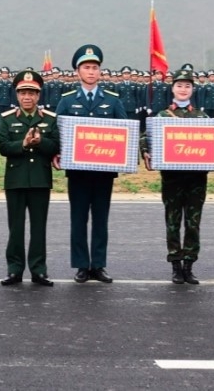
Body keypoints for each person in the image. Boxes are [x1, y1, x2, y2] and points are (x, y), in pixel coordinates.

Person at [54, 44, 128, 283]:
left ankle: (98, 264)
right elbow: (57, 133)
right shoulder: (66, 101)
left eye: (95, 67)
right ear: (78, 71)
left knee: (100, 219)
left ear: (100, 72)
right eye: (86, 67)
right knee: (78, 218)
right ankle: (81, 266)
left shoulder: (113, 101)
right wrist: (56, 153)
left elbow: (124, 132)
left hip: (104, 172)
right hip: (77, 172)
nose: (91, 71)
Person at [141, 64, 209, 285]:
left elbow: (213, 142)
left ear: (192, 90)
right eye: (179, 85)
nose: (183, 89)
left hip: (196, 178)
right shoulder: (162, 115)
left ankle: (189, 264)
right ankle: (175, 265)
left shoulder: (202, 117)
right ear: (172, 89)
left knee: (193, 222)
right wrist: (146, 151)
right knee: (172, 221)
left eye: (187, 86)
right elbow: (146, 137)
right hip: (172, 178)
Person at [0, 70, 59, 286]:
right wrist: (22, 145)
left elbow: (56, 146)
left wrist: (41, 142)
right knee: (15, 228)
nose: (27, 97)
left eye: (32, 93)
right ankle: (14, 270)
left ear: (38, 96)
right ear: (17, 95)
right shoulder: (7, 119)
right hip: (15, 180)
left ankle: (39, 270)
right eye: (23, 92)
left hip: (40, 180)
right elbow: (2, 147)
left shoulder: (50, 119)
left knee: (38, 227)